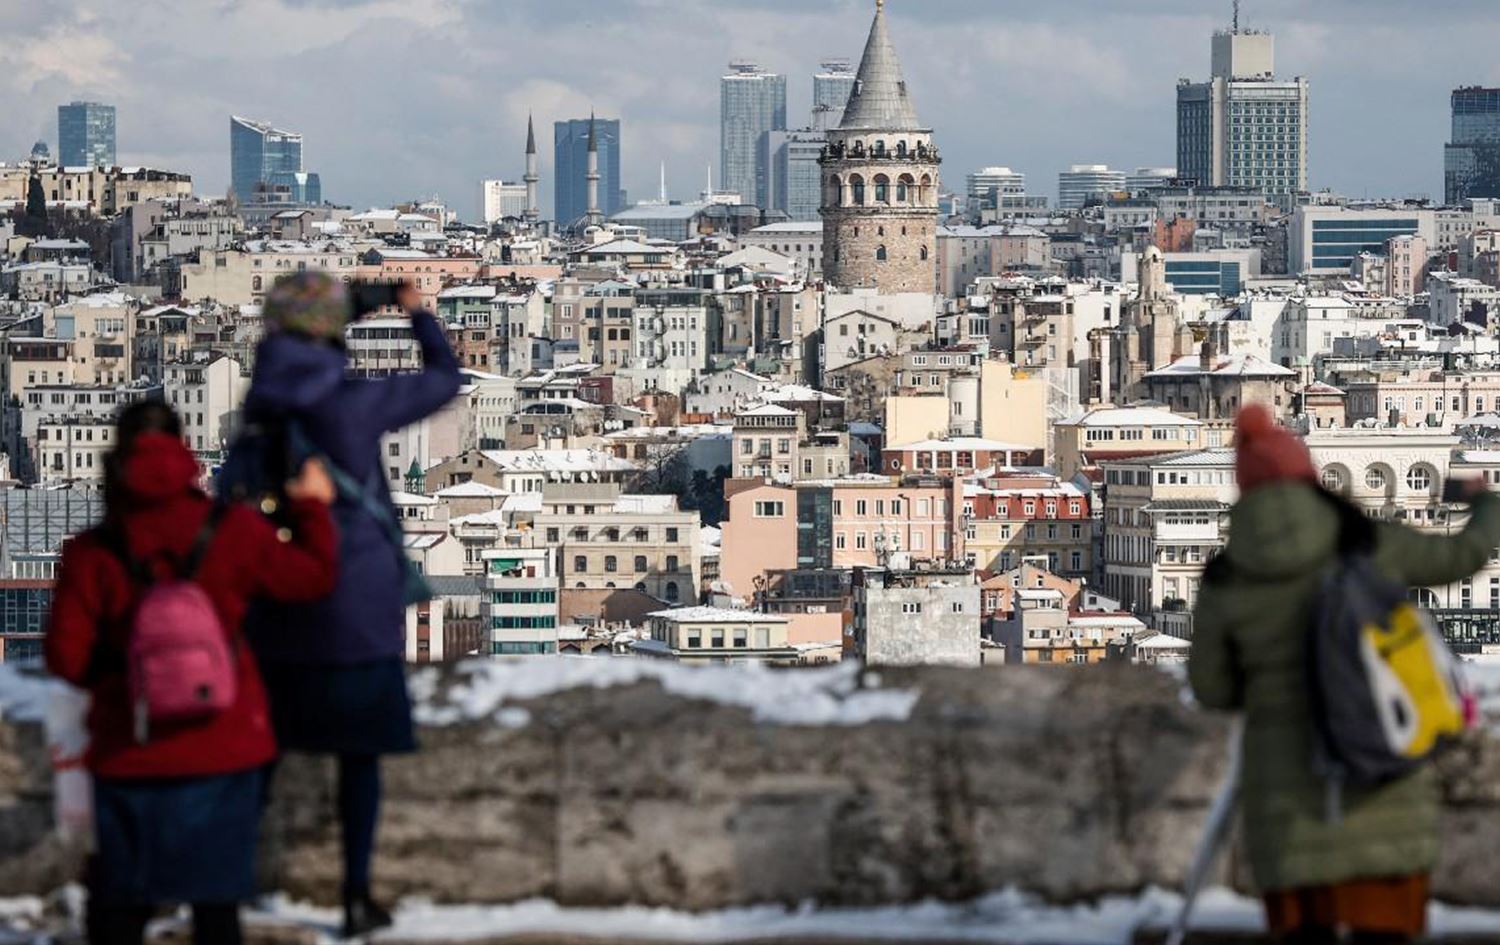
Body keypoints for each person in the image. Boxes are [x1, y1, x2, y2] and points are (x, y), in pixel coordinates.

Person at [1189, 404, 1500, 945]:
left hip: (1286, 807)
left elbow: (1211, 688)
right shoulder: (1367, 543)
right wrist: (1486, 503)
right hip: (1381, 781)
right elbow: (1463, 556)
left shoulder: (1227, 578)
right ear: (1308, 475)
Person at [45, 401, 338, 945]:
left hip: (129, 748)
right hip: (224, 743)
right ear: (185, 451)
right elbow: (311, 580)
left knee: (121, 904)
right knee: (215, 903)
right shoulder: (232, 529)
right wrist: (312, 510)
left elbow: (65, 659)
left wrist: (126, 681)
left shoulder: (94, 551)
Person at [242, 272, 461, 937]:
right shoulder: (350, 400)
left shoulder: (260, 403)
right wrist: (412, 313)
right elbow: (445, 378)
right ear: (334, 327)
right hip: (357, 607)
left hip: (278, 606)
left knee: (258, 758)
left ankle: (231, 882)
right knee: (358, 761)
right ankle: (355, 895)